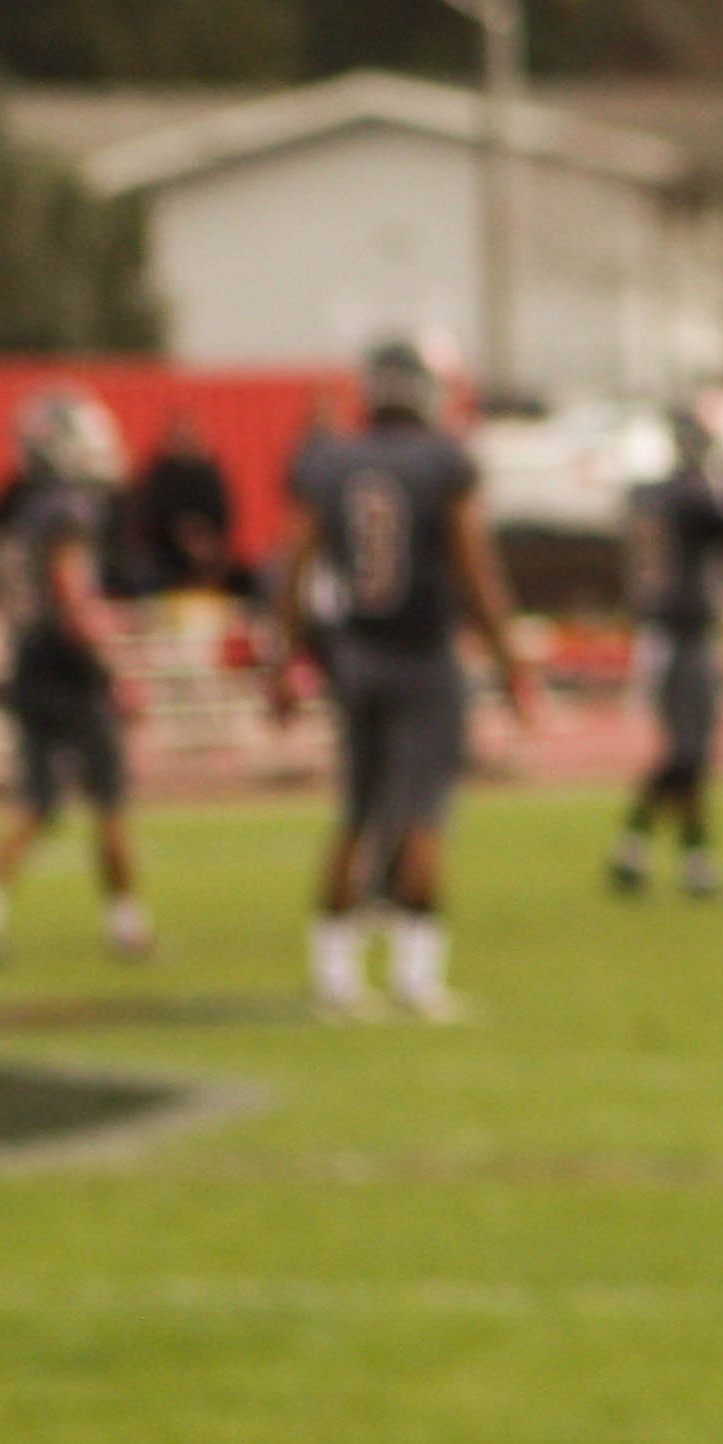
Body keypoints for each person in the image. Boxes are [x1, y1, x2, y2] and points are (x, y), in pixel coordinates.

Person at [272, 340, 535, 1021]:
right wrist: (509, 659)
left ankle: (334, 975)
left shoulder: (331, 459)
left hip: (356, 655)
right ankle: (416, 978)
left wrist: (285, 657)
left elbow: (294, 564)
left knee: (355, 813)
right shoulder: (442, 461)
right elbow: (473, 566)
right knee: (422, 815)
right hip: (422, 657)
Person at [0, 390, 150, 963]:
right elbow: (71, 594)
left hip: (28, 662)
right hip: (65, 667)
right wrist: (114, 667)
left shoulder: (24, 509)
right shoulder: (67, 510)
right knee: (109, 799)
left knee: (38, 803)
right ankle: (127, 925)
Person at [610, 403, 723, 898]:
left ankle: (672, 854)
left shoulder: (650, 495)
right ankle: (649, 848)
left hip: (666, 631)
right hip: (681, 634)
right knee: (689, 751)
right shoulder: (689, 495)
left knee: (689, 752)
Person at [128, 411, 240, 595]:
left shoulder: (209, 475)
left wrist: (204, 541)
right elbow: (147, 519)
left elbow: (223, 516)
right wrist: (180, 536)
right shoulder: (158, 477)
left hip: (208, 550)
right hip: (164, 553)